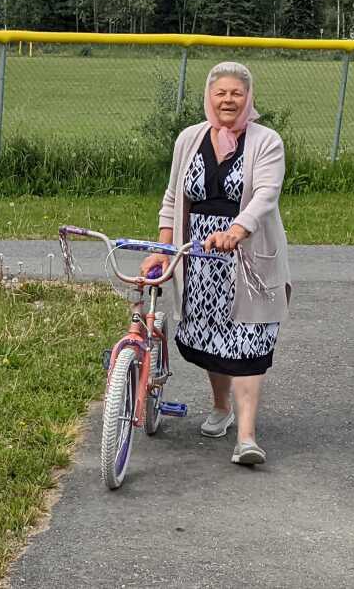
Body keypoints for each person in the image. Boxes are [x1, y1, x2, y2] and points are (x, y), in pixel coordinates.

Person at [141, 61, 291, 466]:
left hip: (248, 257)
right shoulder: (189, 139)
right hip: (201, 259)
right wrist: (164, 248)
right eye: (220, 92)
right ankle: (221, 406)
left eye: (236, 93)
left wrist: (237, 230)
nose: (228, 100)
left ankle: (246, 437)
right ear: (209, 97)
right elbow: (173, 199)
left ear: (249, 98)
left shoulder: (266, 141)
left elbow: (266, 194)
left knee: (249, 340)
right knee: (211, 338)